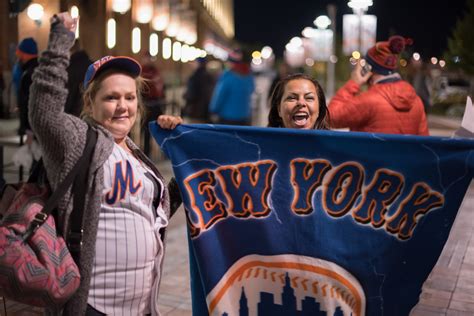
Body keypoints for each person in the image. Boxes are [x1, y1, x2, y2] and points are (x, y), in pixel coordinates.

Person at [28, 12, 183, 315]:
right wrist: (60, 42)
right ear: (90, 103)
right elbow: (43, 112)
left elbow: (158, 213)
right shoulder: (79, 141)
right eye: (111, 97)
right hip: (93, 305)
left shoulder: (139, 157)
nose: (123, 106)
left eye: (129, 97)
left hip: (142, 307)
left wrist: (182, 153)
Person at [328, 35, 429, 136]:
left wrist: (353, 83)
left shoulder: (368, 100)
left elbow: (330, 117)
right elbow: (425, 140)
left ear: (368, 69)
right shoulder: (416, 101)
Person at [209, 50, 255, 125]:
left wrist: (213, 110)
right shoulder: (249, 75)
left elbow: (219, 95)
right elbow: (252, 90)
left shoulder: (227, 76)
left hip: (227, 118)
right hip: (244, 117)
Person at [140, 54, 167, 158]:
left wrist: (163, 98)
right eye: (147, 58)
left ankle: (163, 151)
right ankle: (146, 153)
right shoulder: (142, 72)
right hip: (147, 105)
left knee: (159, 128)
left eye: (150, 58)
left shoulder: (156, 72)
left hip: (157, 104)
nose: (149, 60)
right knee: (146, 130)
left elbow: (162, 86)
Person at [16, 37, 39, 143]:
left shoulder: (28, 74)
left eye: (19, 52)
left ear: (25, 53)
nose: (17, 55)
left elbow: (27, 102)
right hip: (38, 125)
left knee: (32, 155)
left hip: (32, 126)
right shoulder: (40, 69)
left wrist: (25, 128)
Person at [183, 57, 216, 123]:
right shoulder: (209, 76)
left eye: (194, 62)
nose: (191, 64)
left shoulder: (195, 76)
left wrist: (185, 96)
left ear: (199, 64)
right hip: (206, 112)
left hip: (195, 111)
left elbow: (191, 95)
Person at [64, 40, 92, 116]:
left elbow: (68, 98)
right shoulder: (92, 66)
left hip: (74, 116)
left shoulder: (70, 70)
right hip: (91, 114)